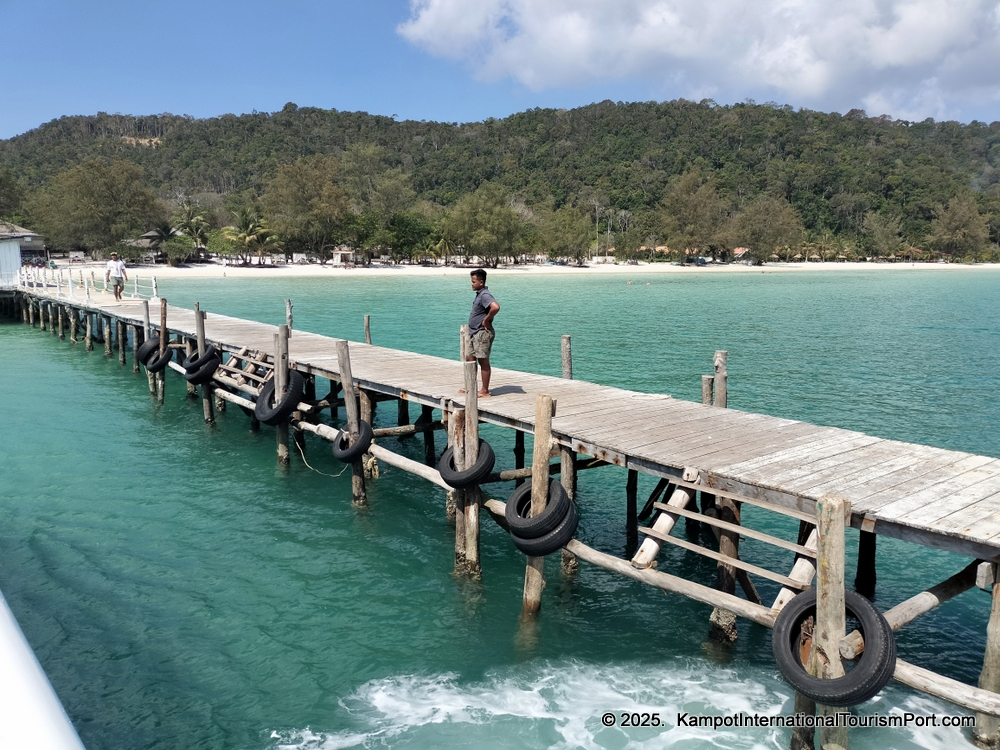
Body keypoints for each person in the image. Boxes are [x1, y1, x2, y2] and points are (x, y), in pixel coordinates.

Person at [462, 268, 500, 397]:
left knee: (483, 361)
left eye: (473, 281)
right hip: (474, 333)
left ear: (481, 282)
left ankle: (484, 390)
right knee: (470, 359)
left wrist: (486, 320)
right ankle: (470, 386)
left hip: (482, 333)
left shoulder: (485, 295)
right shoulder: (480, 294)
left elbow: (495, 307)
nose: (471, 284)